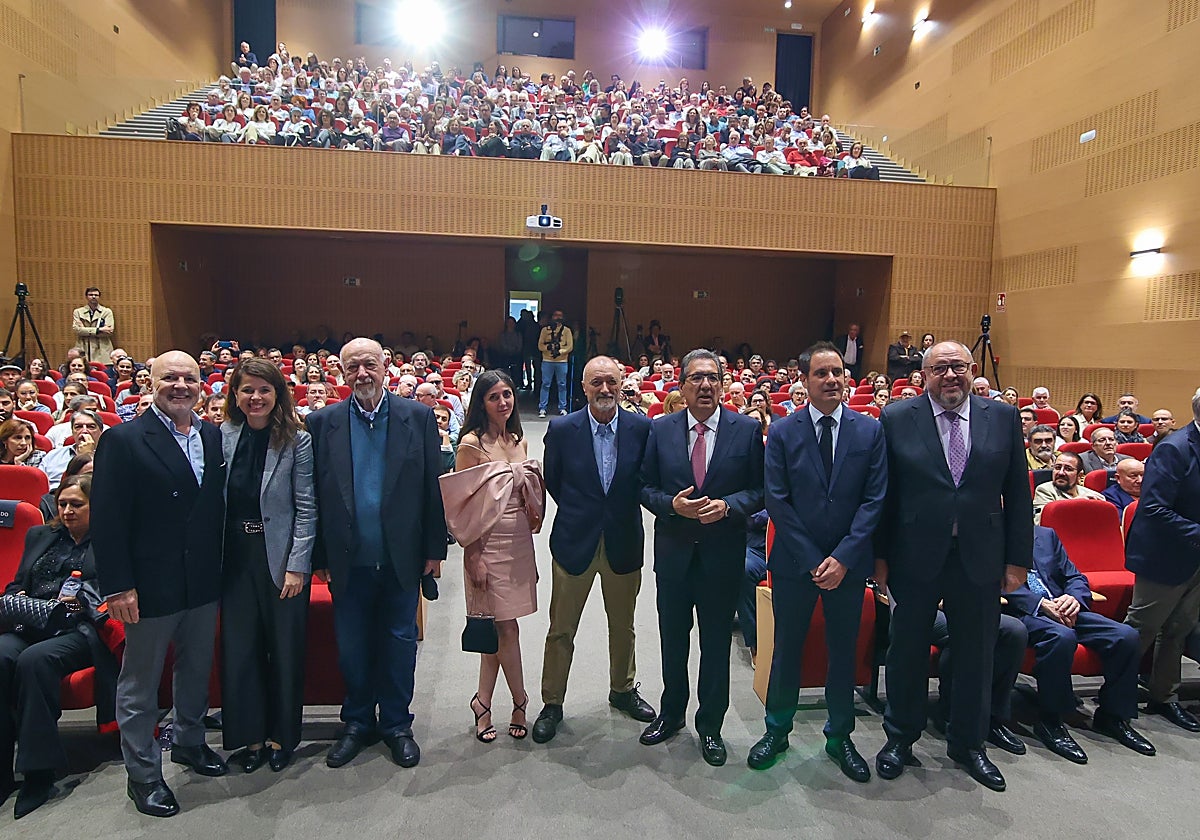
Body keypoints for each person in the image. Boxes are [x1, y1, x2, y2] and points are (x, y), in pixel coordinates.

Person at [873, 341, 1032, 793]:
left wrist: (1018, 560)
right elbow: (885, 495)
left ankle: (968, 743)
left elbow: (1018, 495)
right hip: (914, 555)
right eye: (939, 368)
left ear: (973, 369)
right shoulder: (898, 417)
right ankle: (900, 738)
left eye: (957, 367)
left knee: (976, 654)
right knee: (906, 651)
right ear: (923, 374)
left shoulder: (1000, 416)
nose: (950, 376)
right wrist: (879, 558)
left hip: (980, 559)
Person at [92, 351, 227, 818]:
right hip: (147, 585)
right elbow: (107, 522)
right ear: (151, 383)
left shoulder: (212, 435)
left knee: (195, 670)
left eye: (189, 378)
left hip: (202, 579)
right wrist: (118, 586)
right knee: (140, 683)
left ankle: (189, 743)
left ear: (201, 384)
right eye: (170, 377)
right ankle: (144, 776)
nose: (181, 385)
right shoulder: (124, 440)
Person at [748, 342, 886, 781]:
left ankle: (840, 736)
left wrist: (843, 558)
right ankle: (777, 730)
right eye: (822, 373)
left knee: (843, 652)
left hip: (848, 566)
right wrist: (813, 560)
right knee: (787, 650)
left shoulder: (869, 431)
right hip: (795, 562)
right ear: (804, 381)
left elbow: (875, 499)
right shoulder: (784, 432)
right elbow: (778, 500)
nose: (832, 379)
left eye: (838, 372)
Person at [306, 338, 446, 769]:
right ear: (341, 373)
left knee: (400, 644)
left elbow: (431, 488)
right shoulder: (321, 422)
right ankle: (358, 722)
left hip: (401, 556)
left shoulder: (417, 417)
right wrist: (319, 557)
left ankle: (397, 724)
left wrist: (433, 549)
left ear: (385, 367)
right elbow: (314, 496)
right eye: (353, 367)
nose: (362, 373)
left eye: (369, 364)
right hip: (348, 559)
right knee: (352, 646)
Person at [638, 349, 765, 766]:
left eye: (712, 378)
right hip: (674, 557)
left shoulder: (745, 430)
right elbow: (644, 487)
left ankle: (710, 726)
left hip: (722, 558)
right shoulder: (660, 429)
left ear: (723, 384)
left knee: (715, 646)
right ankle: (672, 714)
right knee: (673, 642)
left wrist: (728, 506)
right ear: (682, 386)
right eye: (696, 378)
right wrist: (672, 505)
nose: (705, 385)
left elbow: (759, 491)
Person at [532, 357, 655, 744]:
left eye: (612, 382)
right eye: (596, 383)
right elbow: (555, 482)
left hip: (623, 541)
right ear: (583, 387)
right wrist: (583, 512)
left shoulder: (641, 428)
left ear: (622, 385)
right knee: (561, 629)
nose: (605, 389)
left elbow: (645, 480)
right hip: (574, 542)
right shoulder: (563, 429)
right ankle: (552, 702)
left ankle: (622, 689)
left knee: (623, 627)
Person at [0, 476, 117, 819]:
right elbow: (17, 582)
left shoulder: (109, 541)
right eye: (62, 504)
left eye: (76, 505)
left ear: (97, 508)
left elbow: (108, 594)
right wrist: (17, 596)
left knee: (35, 662)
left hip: (79, 628)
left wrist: (80, 600)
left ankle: (39, 772)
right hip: (31, 621)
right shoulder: (40, 535)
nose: (66, 511)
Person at [219, 359, 315, 774]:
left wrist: (298, 565)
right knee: (241, 650)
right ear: (235, 395)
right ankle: (250, 738)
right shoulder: (219, 436)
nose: (255, 398)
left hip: (280, 557)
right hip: (234, 557)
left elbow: (307, 508)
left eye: (264, 390)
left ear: (278, 394)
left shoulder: (296, 439)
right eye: (247, 390)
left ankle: (282, 737)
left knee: (285, 649)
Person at [440, 370, 544, 743]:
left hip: (518, 542)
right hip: (485, 543)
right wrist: (473, 556)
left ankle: (481, 702)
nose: (503, 402)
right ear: (480, 403)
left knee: (496, 631)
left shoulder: (518, 439)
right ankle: (520, 701)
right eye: (493, 397)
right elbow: (462, 507)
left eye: (507, 395)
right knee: (505, 628)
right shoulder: (471, 444)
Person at [1005, 525, 1155, 763]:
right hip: (1023, 612)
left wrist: (1073, 598)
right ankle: (1051, 720)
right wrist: (1040, 604)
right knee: (1061, 638)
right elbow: (992, 581)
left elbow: (1074, 576)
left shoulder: (1045, 535)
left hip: (1064, 607)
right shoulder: (988, 535)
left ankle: (1112, 716)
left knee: (1126, 636)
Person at [1123, 388, 1200, 732]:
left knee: (1179, 628)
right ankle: (1115, 696)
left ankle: (1163, 696)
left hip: (1194, 554)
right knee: (1140, 630)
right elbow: (1153, 508)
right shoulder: (1175, 448)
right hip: (1164, 556)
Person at [930, 611, 1029, 757]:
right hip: (926, 604)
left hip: (966, 603)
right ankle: (949, 710)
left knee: (1014, 631)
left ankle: (990, 716)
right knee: (966, 630)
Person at [1032, 451, 1106, 524]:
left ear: (1079, 475)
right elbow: (1040, 522)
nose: (1061, 473)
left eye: (1068, 469)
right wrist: (1077, 502)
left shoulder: (1091, 494)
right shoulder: (1044, 490)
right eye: (1057, 467)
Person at [537, 310, 574, 418]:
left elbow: (570, 346)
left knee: (562, 384)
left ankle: (562, 407)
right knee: (545, 384)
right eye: (555, 315)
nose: (557, 318)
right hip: (547, 360)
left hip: (562, 361)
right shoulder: (545, 330)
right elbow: (540, 345)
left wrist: (560, 352)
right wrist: (548, 348)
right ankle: (542, 408)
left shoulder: (567, 331)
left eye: (560, 316)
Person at [71, 287, 115, 363]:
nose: (93, 297)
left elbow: (109, 331)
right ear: (86, 297)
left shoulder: (107, 312)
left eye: (96, 295)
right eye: (90, 295)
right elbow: (77, 330)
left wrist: (85, 330)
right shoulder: (78, 312)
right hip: (83, 347)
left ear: (99, 297)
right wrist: (99, 330)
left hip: (102, 348)